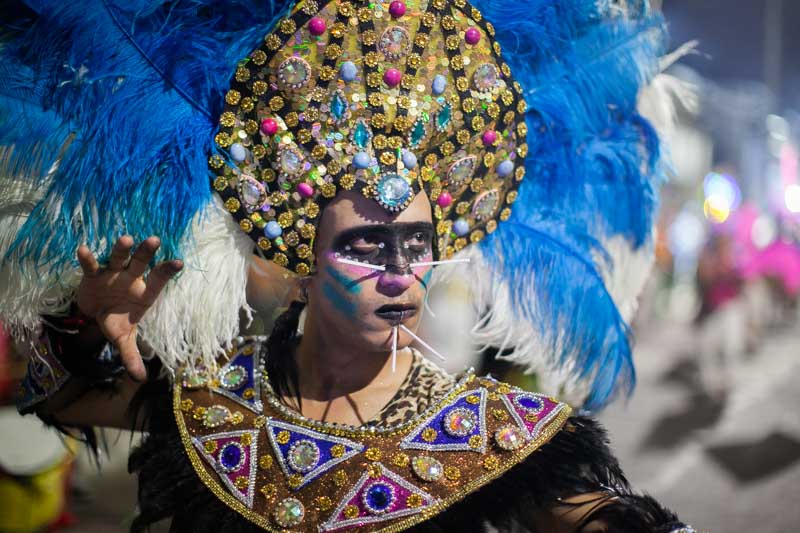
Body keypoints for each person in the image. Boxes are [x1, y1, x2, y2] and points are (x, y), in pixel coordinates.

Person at [1, 0, 694, 531]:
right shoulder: (217, 397)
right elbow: (56, 401)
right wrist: (86, 324)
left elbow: (588, 513)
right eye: (364, 246)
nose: (398, 272)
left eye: (416, 244)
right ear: (302, 264)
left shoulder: (484, 430)